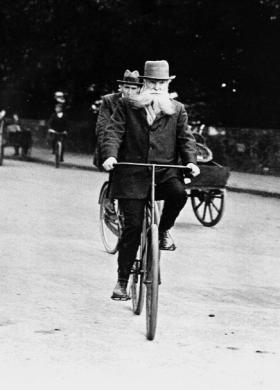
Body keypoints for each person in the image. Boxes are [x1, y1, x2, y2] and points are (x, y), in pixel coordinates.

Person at [102, 60, 200, 300]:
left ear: (167, 84)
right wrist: (111, 156)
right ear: (144, 83)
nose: (156, 86)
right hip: (132, 174)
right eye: (152, 82)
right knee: (132, 227)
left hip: (164, 172)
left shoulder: (177, 109)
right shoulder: (127, 105)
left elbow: (186, 139)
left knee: (179, 194)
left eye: (161, 82)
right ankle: (122, 282)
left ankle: (163, 230)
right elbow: (113, 132)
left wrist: (191, 161)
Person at [93, 70, 142, 170]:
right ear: (121, 87)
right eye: (127, 88)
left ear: (139, 89)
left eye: (133, 88)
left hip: (134, 151)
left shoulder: (142, 102)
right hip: (113, 147)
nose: (129, 92)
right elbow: (102, 127)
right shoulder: (109, 100)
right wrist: (109, 154)